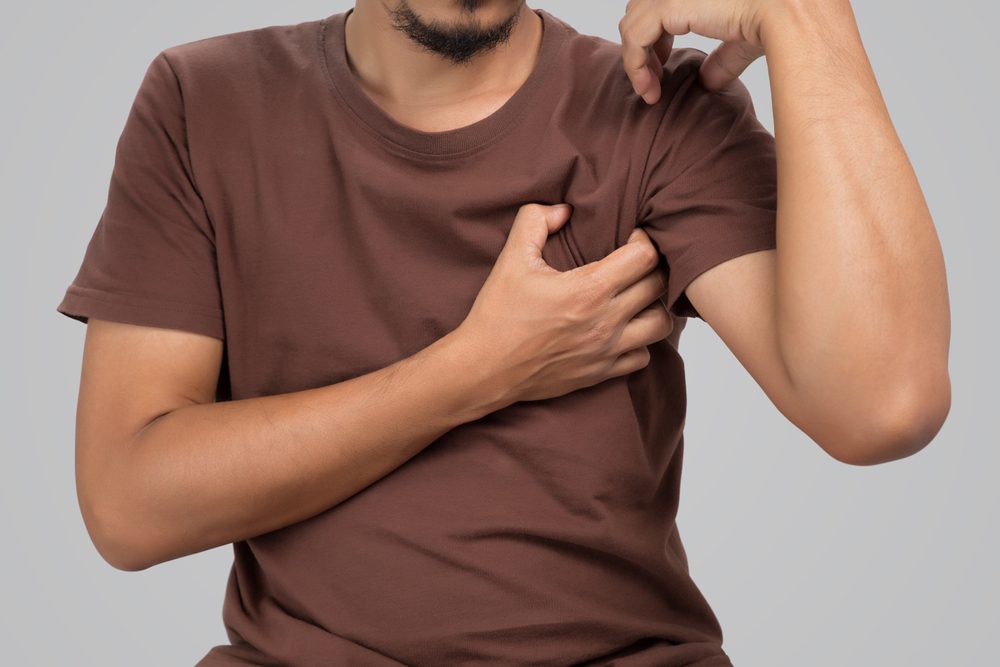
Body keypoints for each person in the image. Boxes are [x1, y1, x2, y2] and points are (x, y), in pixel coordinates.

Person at [55, 1, 951, 664]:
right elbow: (130, 504)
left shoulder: (654, 107)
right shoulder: (201, 102)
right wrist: (478, 368)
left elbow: (883, 403)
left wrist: (810, 22)